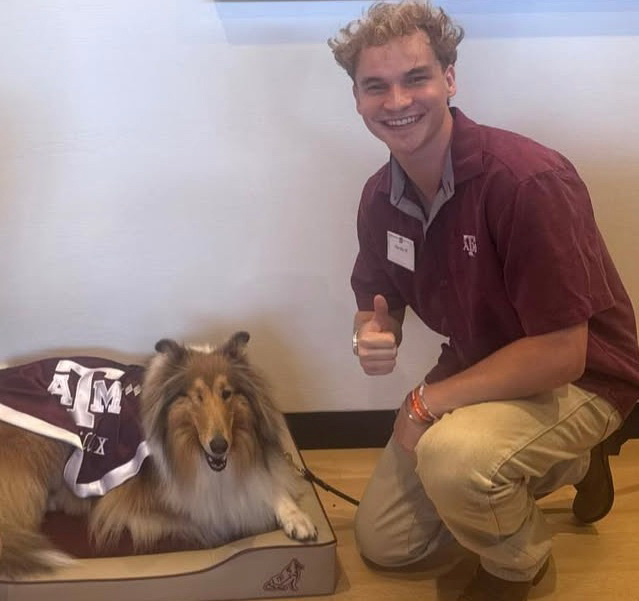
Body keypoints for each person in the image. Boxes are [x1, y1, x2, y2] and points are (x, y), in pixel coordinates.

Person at [328, 2, 639, 600]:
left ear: (449, 78)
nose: (396, 101)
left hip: (585, 377)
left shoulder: (526, 181)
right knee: (386, 544)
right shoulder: (378, 197)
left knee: (452, 460)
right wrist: (374, 330)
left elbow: (561, 355)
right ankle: (559, 466)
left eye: (415, 77)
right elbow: (378, 299)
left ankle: (520, 567)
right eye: (376, 86)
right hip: (483, 365)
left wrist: (425, 402)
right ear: (358, 98)